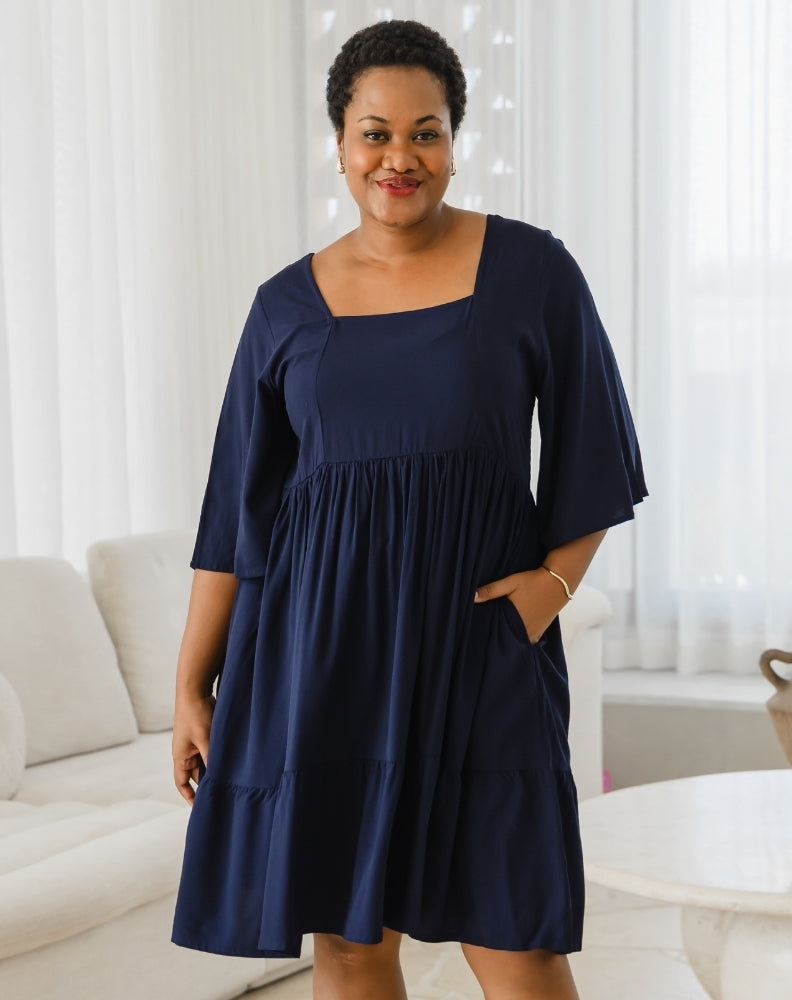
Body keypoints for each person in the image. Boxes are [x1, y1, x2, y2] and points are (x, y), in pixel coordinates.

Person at [170, 18, 646, 1000]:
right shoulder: (283, 308)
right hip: (319, 650)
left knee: (513, 933)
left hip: (480, 650)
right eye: (375, 132)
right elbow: (235, 513)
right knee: (350, 941)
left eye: (425, 131)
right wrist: (192, 683)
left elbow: (594, 448)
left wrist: (549, 590)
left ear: (455, 142)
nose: (399, 156)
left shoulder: (532, 272)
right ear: (341, 146)